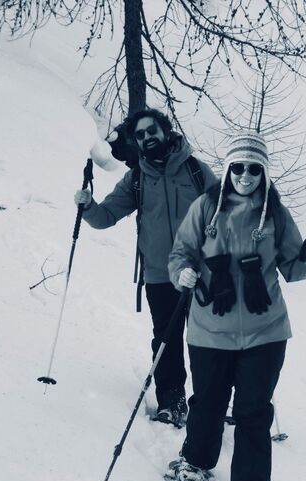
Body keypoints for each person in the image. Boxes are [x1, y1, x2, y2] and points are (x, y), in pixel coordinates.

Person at [164, 130, 306, 481]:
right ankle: (196, 462)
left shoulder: (275, 214)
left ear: (264, 172)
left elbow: (293, 266)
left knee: (254, 415)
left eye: (253, 169)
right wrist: (181, 272)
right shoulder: (206, 207)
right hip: (210, 329)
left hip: (266, 332)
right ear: (228, 170)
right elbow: (180, 253)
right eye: (237, 167)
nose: (245, 175)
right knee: (207, 402)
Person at [74, 109, 219, 427]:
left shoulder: (195, 170)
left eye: (151, 130)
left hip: (201, 273)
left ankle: (212, 402)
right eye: (139, 135)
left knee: (208, 340)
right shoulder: (137, 178)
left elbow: (225, 212)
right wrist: (87, 207)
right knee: (166, 339)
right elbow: (106, 216)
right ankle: (172, 401)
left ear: (165, 130)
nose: (147, 137)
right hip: (159, 274)